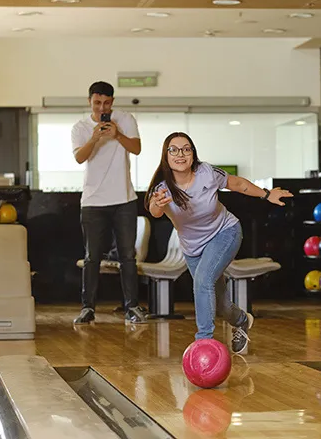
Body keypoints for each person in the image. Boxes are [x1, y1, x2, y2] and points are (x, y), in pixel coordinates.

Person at [144, 132, 292, 353]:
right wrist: (157, 203)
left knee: (202, 282)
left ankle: (204, 342)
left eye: (186, 149)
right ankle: (242, 320)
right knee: (220, 304)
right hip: (193, 249)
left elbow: (238, 183)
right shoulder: (162, 188)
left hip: (225, 233)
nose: (180, 154)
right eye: (173, 150)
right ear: (166, 156)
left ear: (193, 153)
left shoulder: (207, 173)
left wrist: (266, 194)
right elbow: (154, 211)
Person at [71, 81, 147, 325]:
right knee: (92, 257)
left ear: (112, 102)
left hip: (124, 199)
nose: (101, 107)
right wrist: (95, 138)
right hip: (93, 201)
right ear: (89, 102)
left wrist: (117, 135)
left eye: (106, 103)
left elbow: (136, 149)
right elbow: (79, 158)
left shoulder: (125, 119)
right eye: (96, 103)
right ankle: (87, 308)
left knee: (127, 256)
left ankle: (132, 307)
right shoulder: (80, 127)